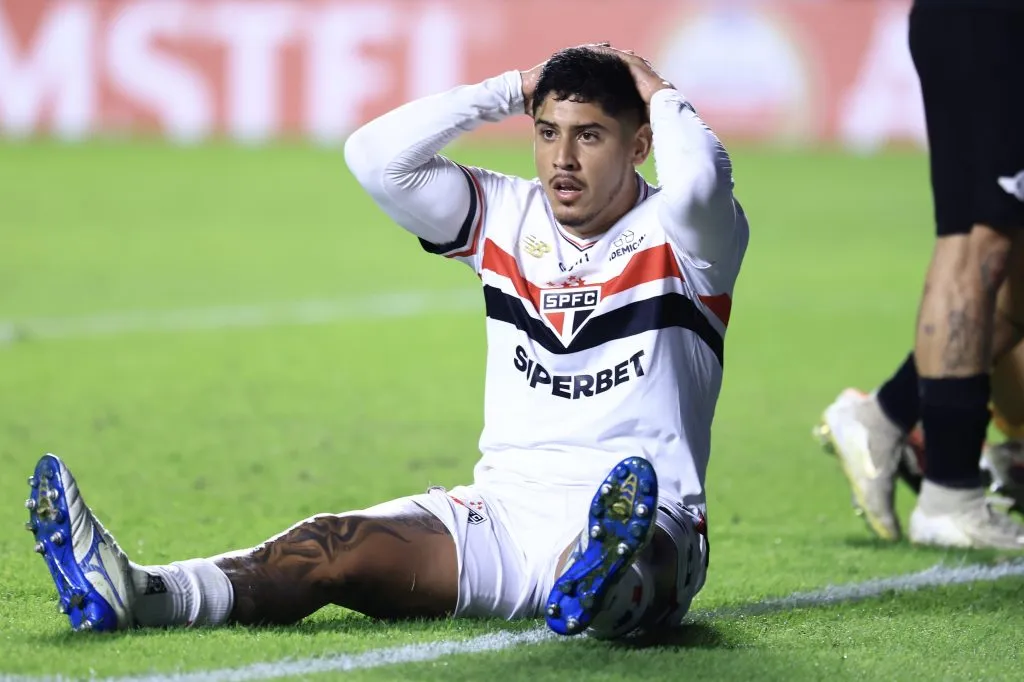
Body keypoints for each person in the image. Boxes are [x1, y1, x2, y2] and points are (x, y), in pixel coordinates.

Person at [24, 44, 747, 637]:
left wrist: (657, 87)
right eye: (547, 132)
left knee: (633, 561)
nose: (561, 159)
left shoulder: (687, 239)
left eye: (589, 135)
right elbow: (375, 155)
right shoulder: (504, 214)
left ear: (641, 142)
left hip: (648, 514)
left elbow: (703, 180)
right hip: (505, 510)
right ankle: (142, 592)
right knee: (331, 547)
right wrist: (511, 87)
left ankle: (599, 584)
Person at [816, 0, 1024, 549]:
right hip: (991, 23)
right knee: (980, 240)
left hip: (976, 25)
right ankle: (950, 496)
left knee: (997, 249)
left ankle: (884, 418)